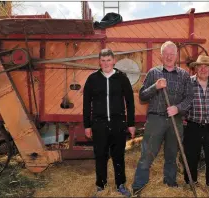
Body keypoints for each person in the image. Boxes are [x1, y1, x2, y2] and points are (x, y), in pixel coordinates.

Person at [131, 41, 193, 196]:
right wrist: (155, 87)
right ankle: (139, 187)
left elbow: (189, 99)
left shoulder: (184, 75)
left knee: (172, 155)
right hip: (155, 120)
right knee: (147, 154)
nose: (169, 57)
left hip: (175, 120)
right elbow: (142, 96)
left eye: (172, 54)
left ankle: (170, 184)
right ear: (161, 55)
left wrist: (177, 108)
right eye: (166, 54)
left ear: (176, 55)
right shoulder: (153, 73)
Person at [83, 48, 136, 197]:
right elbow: (86, 104)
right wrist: (87, 125)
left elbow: (130, 102)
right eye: (103, 60)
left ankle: (120, 185)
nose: (106, 63)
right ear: (99, 62)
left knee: (118, 155)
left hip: (118, 123)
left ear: (114, 61)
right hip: (99, 124)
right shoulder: (92, 79)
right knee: (100, 155)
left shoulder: (122, 78)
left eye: (108, 60)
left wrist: (131, 123)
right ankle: (101, 186)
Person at [183, 55, 209, 186]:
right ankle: (190, 183)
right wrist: (182, 117)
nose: (203, 69)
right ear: (196, 68)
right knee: (191, 156)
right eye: (200, 66)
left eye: (206, 67)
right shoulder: (188, 82)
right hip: (193, 125)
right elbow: (181, 102)